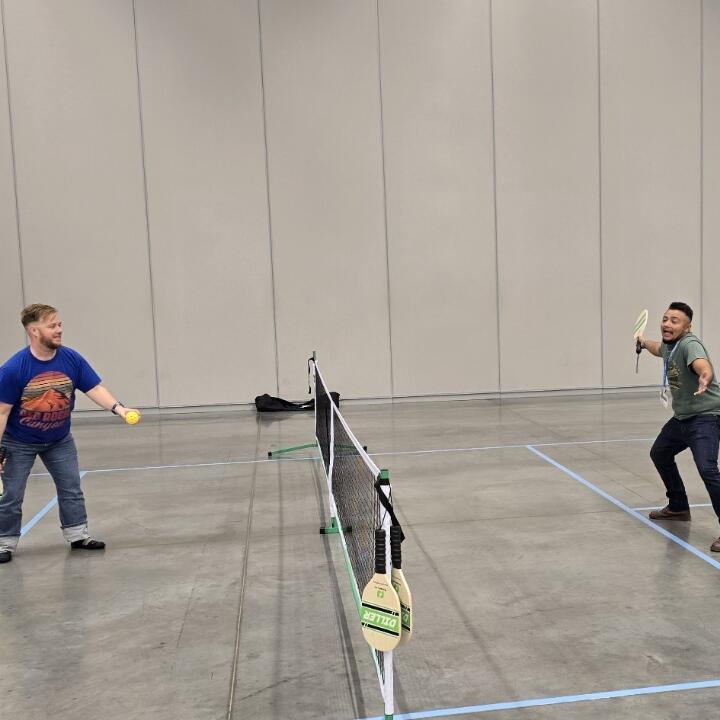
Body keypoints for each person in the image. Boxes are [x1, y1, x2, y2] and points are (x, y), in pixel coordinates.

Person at [0, 304, 140, 564]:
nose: (59, 330)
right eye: (52, 326)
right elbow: (2, 413)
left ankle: (78, 535)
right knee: (12, 494)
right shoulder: (13, 369)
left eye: (59, 324)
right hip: (19, 442)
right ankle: (4, 543)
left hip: (58, 439)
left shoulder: (71, 359)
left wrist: (119, 408)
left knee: (71, 488)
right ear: (33, 331)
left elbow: (94, 388)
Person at [637, 301, 720, 552]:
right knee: (660, 453)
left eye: (674, 320)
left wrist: (705, 375)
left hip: (705, 416)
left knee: (707, 469)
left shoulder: (689, 344)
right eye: (665, 319)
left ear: (687, 327)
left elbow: (701, 363)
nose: (667, 323)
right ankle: (679, 507)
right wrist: (642, 341)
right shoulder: (670, 346)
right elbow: (657, 348)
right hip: (683, 418)